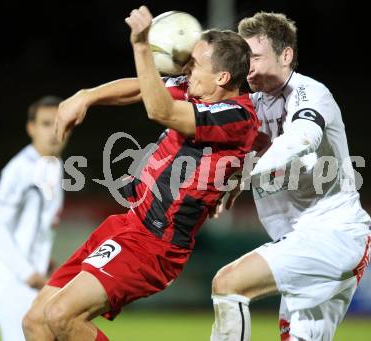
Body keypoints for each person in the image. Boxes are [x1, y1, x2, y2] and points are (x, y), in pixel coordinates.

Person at [22, 6, 258, 341]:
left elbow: (158, 108)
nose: (185, 67)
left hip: (155, 243)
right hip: (129, 224)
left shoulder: (235, 116)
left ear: (222, 78)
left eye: (196, 64)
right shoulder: (197, 91)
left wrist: (142, 45)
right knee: (36, 321)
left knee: (61, 316)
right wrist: (86, 96)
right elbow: (141, 89)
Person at [210, 11, 371, 341]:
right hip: (312, 240)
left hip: (333, 236)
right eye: (244, 58)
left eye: (255, 56)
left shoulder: (310, 94)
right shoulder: (253, 103)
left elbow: (302, 138)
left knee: (228, 285)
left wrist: (249, 174)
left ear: (285, 55)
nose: (248, 66)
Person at [0, 96, 67, 341]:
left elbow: (35, 224)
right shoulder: (20, 169)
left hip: (26, 276)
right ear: (31, 128)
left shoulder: (52, 165)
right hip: (8, 277)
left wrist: (42, 259)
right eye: (46, 123)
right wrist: (28, 271)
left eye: (59, 123)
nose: (54, 131)